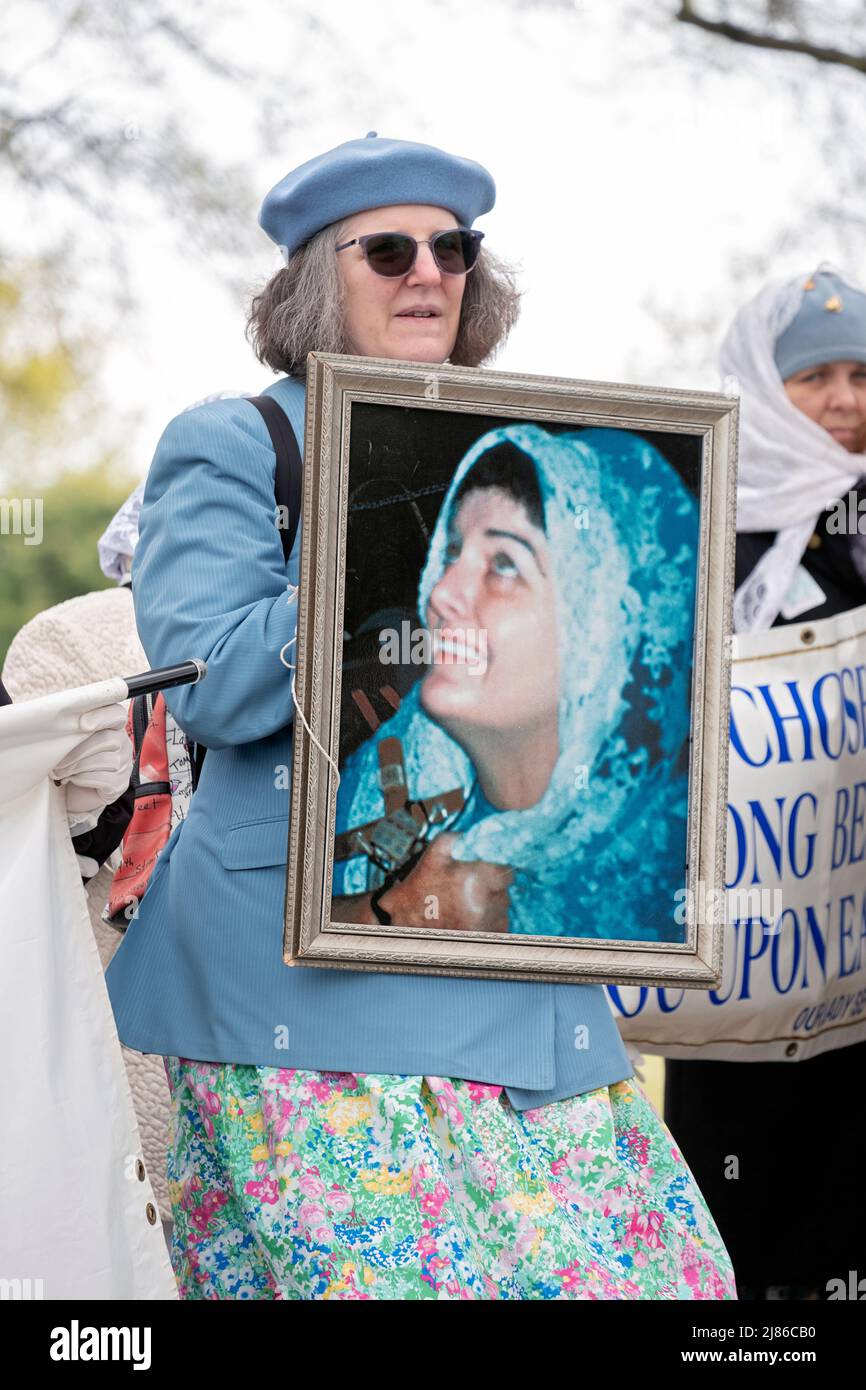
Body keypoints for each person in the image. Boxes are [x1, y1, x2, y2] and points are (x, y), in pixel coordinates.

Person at [105, 132, 735, 1300]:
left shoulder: (522, 448)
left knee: (677, 1289)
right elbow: (218, 686)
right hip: (292, 998)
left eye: (452, 249)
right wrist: (358, 529)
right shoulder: (239, 444)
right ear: (311, 281)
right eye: (386, 249)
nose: (427, 272)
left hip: (511, 980)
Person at [664, 264, 866, 1299]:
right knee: (737, 1217)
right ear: (758, 384)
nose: (842, 400)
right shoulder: (702, 519)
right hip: (745, 941)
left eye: (858, 375)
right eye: (814, 378)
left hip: (855, 943)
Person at [333, 422, 699, 942]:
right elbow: (232, 938)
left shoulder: (677, 876)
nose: (442, 591)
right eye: (454, 553)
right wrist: (386, 911)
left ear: (602, 634)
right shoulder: (381, 778)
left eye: (504, 564)